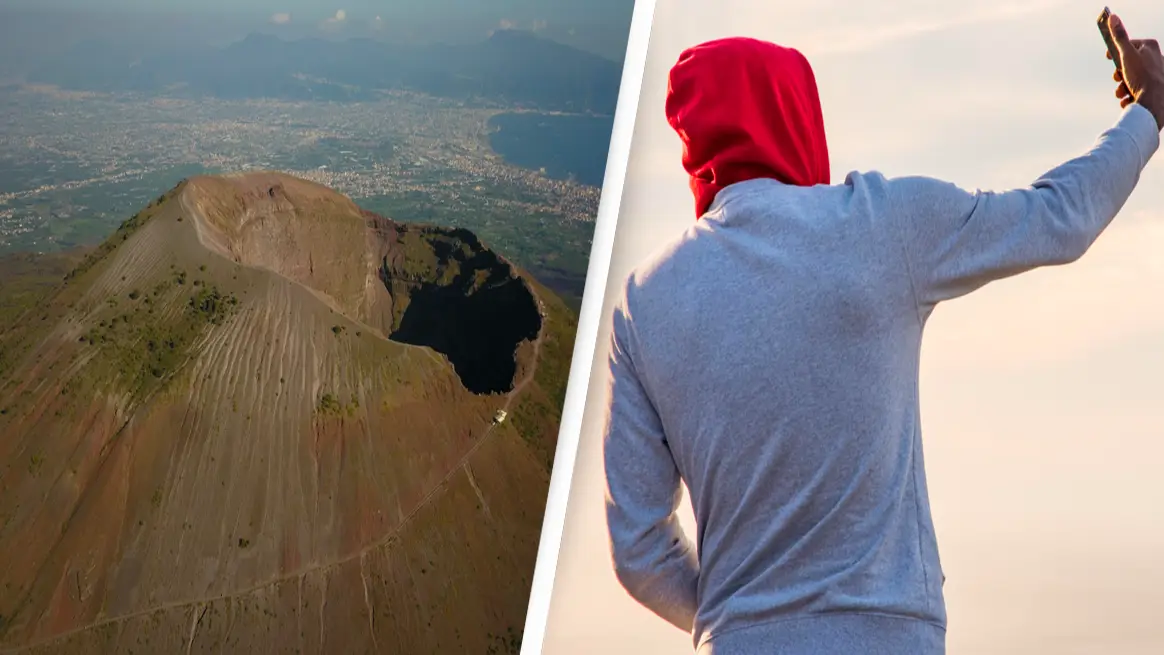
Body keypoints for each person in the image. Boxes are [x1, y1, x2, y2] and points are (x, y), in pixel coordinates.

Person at [601, 13, 1163, 655]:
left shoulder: (645, 301)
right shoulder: (878, 225)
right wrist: (1148, 113)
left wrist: (747, 620)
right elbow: (1061, 214)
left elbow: (639, 549)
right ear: (796, 113)